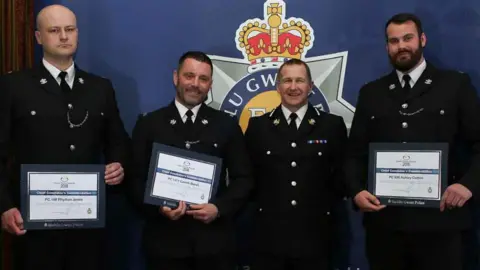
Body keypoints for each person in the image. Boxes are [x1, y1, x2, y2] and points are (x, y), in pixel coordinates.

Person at [345, 13, 480, 270]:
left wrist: (468, 185)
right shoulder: (371, 93)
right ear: (387, 47)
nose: (401, 46)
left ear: (423, 39)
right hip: (386, 226)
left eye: (407, 38)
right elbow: (354, 153)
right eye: (393, 41)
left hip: (440, 224)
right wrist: (355, 191)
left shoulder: (454, 85)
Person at [0, 4, 130, 270]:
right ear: (39, 37)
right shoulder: (14, 86)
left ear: (77, 34)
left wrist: (119, 164)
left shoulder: (99, 88)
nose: (63, 37)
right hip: (33, 224)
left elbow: (118, 141)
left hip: (87, 225)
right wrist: (4, 206)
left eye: (69, 29)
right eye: (54, 30)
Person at [129, 51, 254, 270]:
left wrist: (218, 207)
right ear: (176, 77)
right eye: (189, 76)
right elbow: (134, 179)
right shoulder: (149, 124)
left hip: (214, 245)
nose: (195, 84)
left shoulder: (226, 124)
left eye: (203, 79)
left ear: (210, 84)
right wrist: (159, 208)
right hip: (164, 244)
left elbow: (243, 178)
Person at [244, 58, 348, 270]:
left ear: (310, 86)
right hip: (269, 240)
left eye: (299, 80)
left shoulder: (331, 126)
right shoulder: (258, 127)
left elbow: (341, 177)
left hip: (317, 239)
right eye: (287, 80)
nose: (293, 87)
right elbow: (247, 178)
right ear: (277, 86)